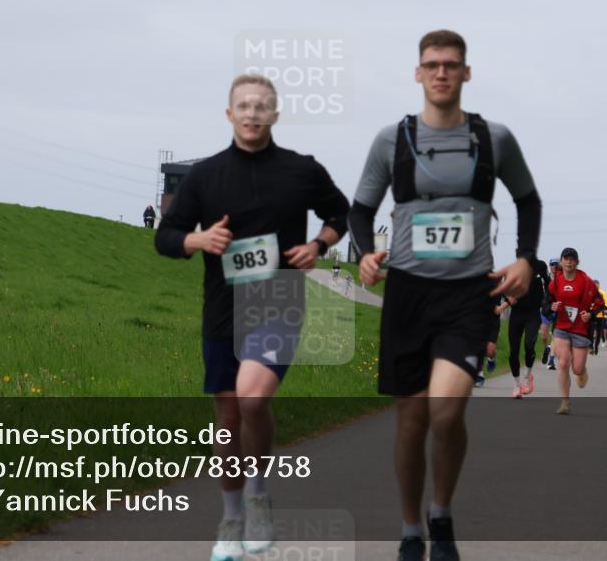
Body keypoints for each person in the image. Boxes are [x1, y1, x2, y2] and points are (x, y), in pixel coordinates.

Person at [348, 30, 541, 561]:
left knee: (446, 411)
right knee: (411, 420)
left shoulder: (493, 139)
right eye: (431, 65)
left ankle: (442, 514)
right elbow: (360, 209)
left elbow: (528, 199)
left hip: (467, 295)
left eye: (451, 65)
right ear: (417, 73)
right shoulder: (392, 140)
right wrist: (365, 252)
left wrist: (525, 258)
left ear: (466, 73)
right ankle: (412, 529)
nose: (441, 73)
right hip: (408, 293)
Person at [155, 74, 349, 561]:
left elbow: (339, 213)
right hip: (223, 303)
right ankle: (231, 516)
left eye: (262, 106)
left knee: (252, 399)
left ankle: (259, 496)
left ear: (275, 115)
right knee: (226, 417)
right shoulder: (205, 176)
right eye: (243, 105)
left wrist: (317, 245)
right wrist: (197, 240)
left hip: (278, 298)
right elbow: (167, 235)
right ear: (229, 114)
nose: (252, 113)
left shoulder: (300, 170)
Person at [547, 247, 604, 414]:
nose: (569, 262)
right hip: (561, 328)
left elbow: (600, 302)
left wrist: (591, 315)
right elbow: (547, 302)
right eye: (566, 259)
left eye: (572, 259)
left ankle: (582, 371)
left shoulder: (586, 281)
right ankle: (565, 403)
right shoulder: (556, 281)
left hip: (580, 328)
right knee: (563, 362)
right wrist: (552, 307)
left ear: (577, 262)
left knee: (577, 369)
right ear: (561, 262)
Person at [496, 256, 548, 398]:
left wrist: (548, 307)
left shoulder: (541, 266)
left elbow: (549, 286)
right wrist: (508, 299)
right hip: (517, 313)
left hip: (533, 313)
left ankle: (527, 377)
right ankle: (517, 385)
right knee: (514, 351)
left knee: (529, 345)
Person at [540, 259, 559, 370]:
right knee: (544, 336)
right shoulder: (546, 278)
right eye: (552, 264)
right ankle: (546, 348)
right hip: (547, 309)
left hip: (558, 310)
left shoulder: (563, 278)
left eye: (556, 264)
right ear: (549, 266)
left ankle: (551, 361)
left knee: (555, 336)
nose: (554, 266)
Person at [589, 280, 607, 356]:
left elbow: (606, 303)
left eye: (597, 285)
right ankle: (591, 346)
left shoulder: (602, 293)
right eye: (594, 285)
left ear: (599, 285)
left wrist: (605, 309)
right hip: (591, 315)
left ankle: (596, 346)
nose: (596, 286)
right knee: (590, 331)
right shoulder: (589, 291)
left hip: (600, 315)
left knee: (598, 332)